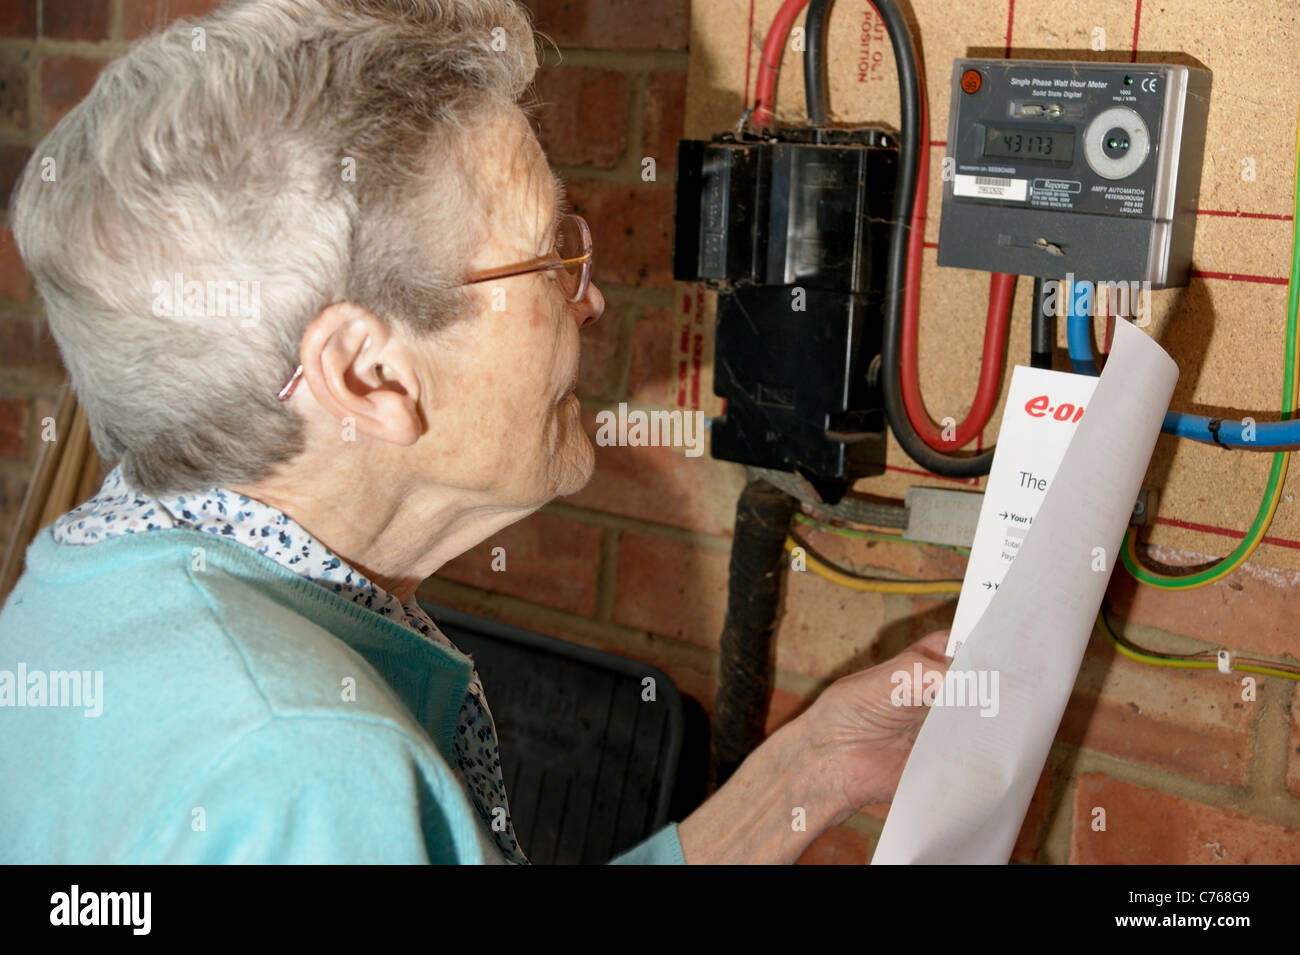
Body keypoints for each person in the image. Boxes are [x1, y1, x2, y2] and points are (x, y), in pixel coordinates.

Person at [0, 0, 950, 864]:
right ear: (366, 376)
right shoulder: (308, 766)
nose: (592, 300)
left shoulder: (83, 585)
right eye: (551, 256)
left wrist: (810, 773)